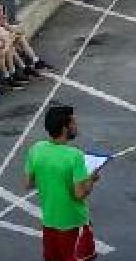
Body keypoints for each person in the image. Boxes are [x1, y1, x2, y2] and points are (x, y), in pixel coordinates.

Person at [25, 105, 101, 261]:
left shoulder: (36, 149)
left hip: (49, 221)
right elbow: (79, 194)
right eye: (73, 123)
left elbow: (28, 184)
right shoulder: (75, 156)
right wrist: (91, 180)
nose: (76, 126)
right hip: (73, 222)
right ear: (65, 128)